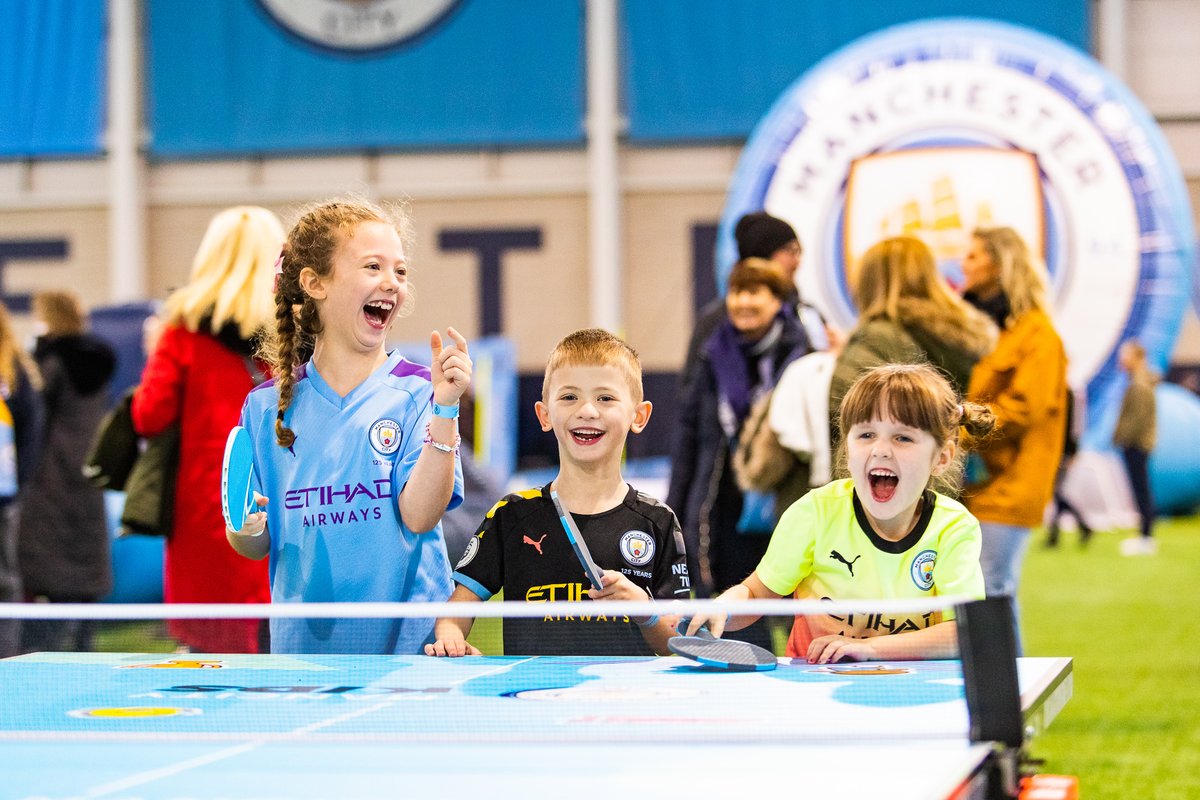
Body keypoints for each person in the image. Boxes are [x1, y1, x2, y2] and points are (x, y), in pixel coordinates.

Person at [227, 197, 471, 655]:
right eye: (373, 266)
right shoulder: (264, 409)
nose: (391, 283)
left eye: (400, 271)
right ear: (314, 283)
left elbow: (420, 515)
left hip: (408, 656)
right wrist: (247, 529)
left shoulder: (420, 392)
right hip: (303, 656)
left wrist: (446, 410)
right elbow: (253, 543)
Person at [687, 363, 993, 664]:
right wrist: (723, 609)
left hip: (912, 683)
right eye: (866, 435)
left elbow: (967, 631)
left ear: (941, 458)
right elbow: (754, 595)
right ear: (847, 448)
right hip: (813, 684)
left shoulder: (953, 526)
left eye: (903, 438)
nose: (881, 450)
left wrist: (871, 649)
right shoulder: (815, 513)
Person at [425, 328, 688, 657]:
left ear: (639, 416)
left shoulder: (658, 522)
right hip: (534, 700)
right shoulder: (511, 516)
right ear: (544, 415)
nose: (587, 410)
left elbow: (678, 645)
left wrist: (645, 611)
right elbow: (454, 615)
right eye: (569, 397)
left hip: (624, 704)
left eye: (605, 398)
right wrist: (451, 639)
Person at [132, 206, 282, 653]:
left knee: (210, 650)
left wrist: (154, 351)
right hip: (281, 494)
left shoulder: (181, 333)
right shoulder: (292, 333)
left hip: (206, 504)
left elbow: (149, 416)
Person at [668, 259, 812, 644]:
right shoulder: (712, 353)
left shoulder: (802, 355)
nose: (743, 301)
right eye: (737, 291)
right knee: (738, 616)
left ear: (777, 300)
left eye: (755, 292)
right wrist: (676, 505)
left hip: (784, 500)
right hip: (725, 507)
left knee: (795, 615)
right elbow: (690, 433)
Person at [961, 227, 1067, 652]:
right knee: (983, 594)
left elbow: (1024, 410)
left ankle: (1008, 706)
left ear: (999, 264)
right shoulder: (993, 330)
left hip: (1010, 485)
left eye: (972, 256)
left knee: (993, 590)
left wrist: (959, 422)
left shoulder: (1037, 334)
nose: (962, 264)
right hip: (980, 483)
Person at [17, 291, 116, 653]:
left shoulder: (49, 363)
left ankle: (37, 650)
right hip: (88, 476)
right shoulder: (98, 362)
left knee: (46, 575)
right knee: (84, 575)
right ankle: (83, 647)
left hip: (50, 479)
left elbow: (34, 420)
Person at [829, 236, 997, 426]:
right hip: (951, 450)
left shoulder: (879, 336)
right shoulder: (961, 333)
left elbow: (848, 415)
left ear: (869, 282)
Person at [1112, 340, 1158, 556]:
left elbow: (1136, 420)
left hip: (1137, 445)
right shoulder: (1138, 381)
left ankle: (1146, 538)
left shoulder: (1139, 384)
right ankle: (1145, 535)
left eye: (1126, 355)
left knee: (1142, 491)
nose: (1122, 359)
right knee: (1142, 490)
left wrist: (1121, 438)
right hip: (1138, 444)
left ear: (1137, 358)